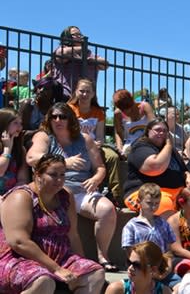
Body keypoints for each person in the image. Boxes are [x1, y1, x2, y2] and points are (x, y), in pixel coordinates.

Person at [26, 102, 118, 272]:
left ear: (71, 119)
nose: (58, 120)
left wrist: (96, 179)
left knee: (107, 210)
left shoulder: (85, 139)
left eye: (63, 116)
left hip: (82, 191)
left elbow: (100, 168)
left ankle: (103, 256)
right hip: (54, 192)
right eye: (54, 116)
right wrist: (64, 162)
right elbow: (32, 158)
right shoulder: (44, 137)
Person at [0, 153, 105, 293]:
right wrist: (56, 269)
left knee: (95, 274)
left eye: (62, 174)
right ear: (38, 175)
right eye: (53, 175)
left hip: (60, 258)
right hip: (19, 259)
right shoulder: (21, 197)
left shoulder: (65, 196)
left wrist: (82, 263)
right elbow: (18, 242)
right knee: (43, 282)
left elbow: (72, 235)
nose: (59, 179)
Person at [123, 118, 190, 219]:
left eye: (165, 131)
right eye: (158, 130)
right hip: (145, 191)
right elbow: (155, 168)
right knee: (164, 203)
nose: (161, 133)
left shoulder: (170, 150)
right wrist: (169, 144)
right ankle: (174, 233)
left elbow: (183, 169)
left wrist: (188, 175)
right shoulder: (140, 147)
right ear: (148, 131)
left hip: (177, 192)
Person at [67, 78, 123, 205]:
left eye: (88, 92)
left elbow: (99, 135)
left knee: (112, 157)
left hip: (94, 146)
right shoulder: (69, 109)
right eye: (82, 91)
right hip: (75, 145)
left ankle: (115, 195)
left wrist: (98, 143)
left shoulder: (98, 113)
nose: (85, 94)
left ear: (93, 94)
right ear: (76, 92)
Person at [121, 183, 181, 289]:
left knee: (181, 286)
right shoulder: (131, 226)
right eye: (149, 203)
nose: (153, 207)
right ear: (139, 201)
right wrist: (147, 271)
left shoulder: (163, 223)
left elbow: (169, 251)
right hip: (140, 270)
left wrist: (168, 268)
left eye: (157, 203)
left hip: (162, 270)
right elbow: (130, 253)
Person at [52, 26, 109, 100]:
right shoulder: (62, 49)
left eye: (80, 34)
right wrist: (83, 47)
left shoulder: (88, 53)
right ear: (67, 37)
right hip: (66, 96)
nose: (79, 36)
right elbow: (62, 54)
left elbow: (105, 65)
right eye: (75, 35)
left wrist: (92, 60)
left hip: (87, 98)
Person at [105, 241, 172, 294]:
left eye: (137, 265)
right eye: (129, 262)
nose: (130, 268)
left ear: (153, 269)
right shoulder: (116, 290)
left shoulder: (164, 291)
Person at [112, 89, 156, 157]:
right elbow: (118, 132)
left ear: (133, 101)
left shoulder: (145, 106)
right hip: (129, 145)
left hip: (148, 141)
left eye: (130, 107)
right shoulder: (118, 113)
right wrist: (119, 147)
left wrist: (140, 142)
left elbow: (154, 126)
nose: (128, 111)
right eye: (123, 109)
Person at [0, 108, 28, 195]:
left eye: (21, 123)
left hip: (10, 195)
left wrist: (11, 196)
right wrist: (7, 148)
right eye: (15, 123)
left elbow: (23, 179)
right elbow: (1, 171)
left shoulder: (20, 149)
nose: (20, 127)